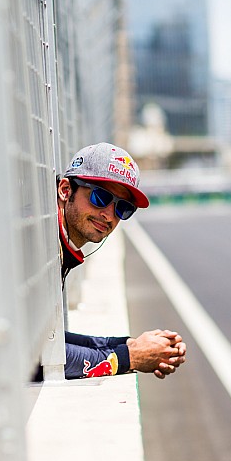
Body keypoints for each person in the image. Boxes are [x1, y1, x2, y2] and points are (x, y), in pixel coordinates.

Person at [55, 142, 187, 379]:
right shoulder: (34, 245)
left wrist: (132, 345)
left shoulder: (56, 242)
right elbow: (31, 357)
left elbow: (47, 343)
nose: (109, 215)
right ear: (66, 190)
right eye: (100, 196)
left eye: (122, 208)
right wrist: (130, 357)